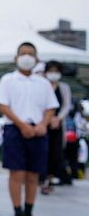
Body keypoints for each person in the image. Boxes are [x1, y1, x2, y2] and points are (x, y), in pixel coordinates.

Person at [0, 42, 58, 216]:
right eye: (23, 53)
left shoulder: (43, 83)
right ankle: (17, 212)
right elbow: (3, 105)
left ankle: (29, 213)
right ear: (16, 58)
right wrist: (22, 125)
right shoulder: (8, 80)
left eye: (31, 54)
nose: (27, 57)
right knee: (17, 173)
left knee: (33, 174)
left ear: (37, 59)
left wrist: (42, 125)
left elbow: (51, 107)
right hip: (15, 130)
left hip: (38, 131)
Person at [41, 60, 72, 192]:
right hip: (43, 123)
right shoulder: (42, 85)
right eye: (51, 71)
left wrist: (58, 118)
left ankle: (52, 177)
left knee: (56, 152)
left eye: (56, 71)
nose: (53, 74)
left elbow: (66, 105)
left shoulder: (64, 87)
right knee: (43, 151)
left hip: (58, 125)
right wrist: (47, 119)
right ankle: (42, 178)